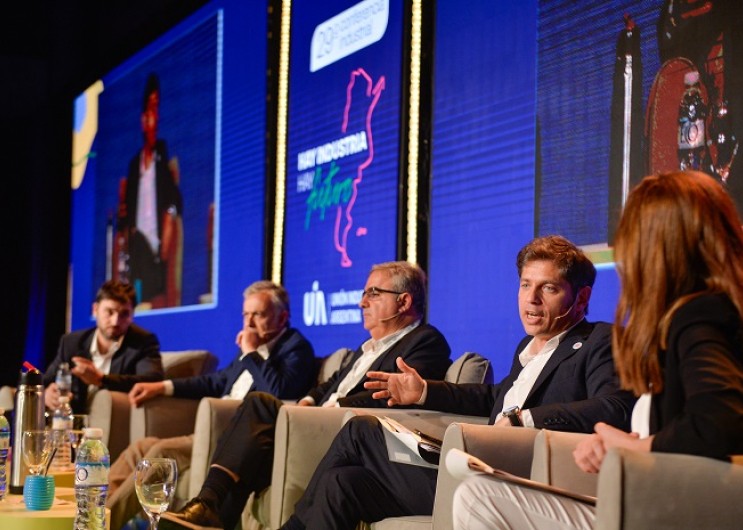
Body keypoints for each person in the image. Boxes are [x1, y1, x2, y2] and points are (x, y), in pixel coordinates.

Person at [278, 235, 636, 530]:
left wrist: (525, 419)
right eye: (526, 285)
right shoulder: (526, 348)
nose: (531, 299)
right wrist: (425, 391)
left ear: (581, 297)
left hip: (514, 478)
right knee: (341, 483)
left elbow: (614, 406)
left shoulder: (599, 341)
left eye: (549, 288)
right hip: (475, 462)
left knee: (361, 430)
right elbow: (493, 398)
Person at [451, 171, 743, 530]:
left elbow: (719, 422)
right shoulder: (707, 311)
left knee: (478, 497)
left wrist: (631, 449)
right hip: (646, 494)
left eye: (632, 236)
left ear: (660, 245)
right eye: (525, 285)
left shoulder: (697, 315)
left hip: (670, 510)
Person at [159, 261, 453, 530]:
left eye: (373, 294)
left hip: (347, 436)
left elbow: (394, 395)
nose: (362, 302)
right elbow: (332, 385)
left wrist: (328, 408)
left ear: (404, 301)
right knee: (256, 418)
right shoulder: (366, 348)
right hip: (316, 425)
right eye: (364, 293)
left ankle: (211, 509)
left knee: (261, 404)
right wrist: (310, 400)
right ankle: (209, 505)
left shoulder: (425, 341)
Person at [106, 280, 315, 530]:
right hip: (212, 430)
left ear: (282, 317)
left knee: (160, 452)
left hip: (236, 439)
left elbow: (278, 391)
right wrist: (163, 386)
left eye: (258, 315)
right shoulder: (253, 346)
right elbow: (216, 381)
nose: (248, 323)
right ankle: (94, 513)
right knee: (140, 447)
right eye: (245, 314)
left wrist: (251, 353)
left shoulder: (296, 348)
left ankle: (103, 525)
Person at [42, 280, 163, 414]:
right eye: (109, 312)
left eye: (124, 314)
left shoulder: (142, 342)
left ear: (132, 314)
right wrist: (46, 393)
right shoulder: (72, 342)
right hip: (73, 420)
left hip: (117, 419)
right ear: (95, 310)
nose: (115, 321)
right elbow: (46, 380)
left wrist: (101, 379)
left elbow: (152, 380)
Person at [121, 72, 183, 306]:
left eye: (157, 109)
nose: (153, 117)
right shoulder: (134, 164)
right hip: (137, 244)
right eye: (150, 110)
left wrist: (169, 218)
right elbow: (126, 211)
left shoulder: (162, 156)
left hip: (155, 245)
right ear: (142, 118)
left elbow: (175, 199)